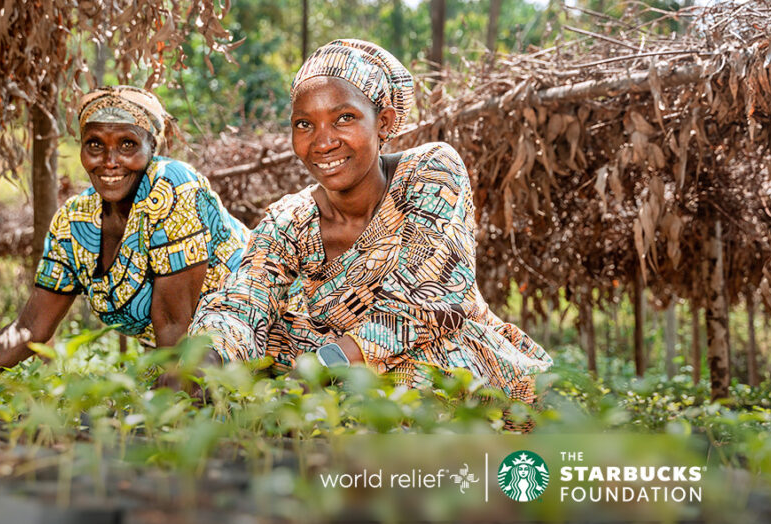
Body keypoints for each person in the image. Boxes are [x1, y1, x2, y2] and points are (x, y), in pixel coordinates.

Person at [189, 39, 551, 403]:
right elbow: (244, 298)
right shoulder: (290, 218)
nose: (323, 142)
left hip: (448, 359)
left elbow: (429, 300)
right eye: (304, 124)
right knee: (263, 341)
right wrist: (206, 359)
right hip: (340, 371)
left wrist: (326, 363)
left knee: (420, 362)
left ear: (384, 122)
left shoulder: (430, 171)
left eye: (344, 118)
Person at [0, 86, 249, 368]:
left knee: (192, 376)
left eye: (127, 144)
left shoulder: (172, 187)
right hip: (182, 350)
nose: (109, 161)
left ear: (152, 148)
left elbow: (173, 323)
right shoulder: (74, 222)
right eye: (95, 144)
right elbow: (30, 327)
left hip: (253, 321)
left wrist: (169, 387)